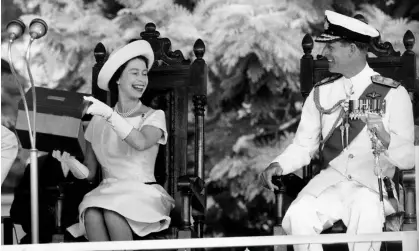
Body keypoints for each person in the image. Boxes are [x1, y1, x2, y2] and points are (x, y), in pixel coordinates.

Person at [260, 10, 415, 251]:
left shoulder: (395, 94)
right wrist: (279, 164)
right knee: (298, 216)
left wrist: (385, 137)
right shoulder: (321, 92)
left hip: (371, 185)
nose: (324, 54)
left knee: (367, 212)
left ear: (352, 49)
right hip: (328, 183)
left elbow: (407, 157)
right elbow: (303, 145)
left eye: (331, 48)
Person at [53, 39, 175, 243]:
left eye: (144, 73)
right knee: (91, 213)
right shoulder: (98, 120)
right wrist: (70, 162)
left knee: (113, 212)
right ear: (118, 79)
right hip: (106, 192)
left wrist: (109, 115)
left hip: (143, 193)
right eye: (134, 73)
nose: (142, 79)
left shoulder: (154, 115)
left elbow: (140, 142)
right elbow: (90, 174)